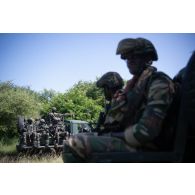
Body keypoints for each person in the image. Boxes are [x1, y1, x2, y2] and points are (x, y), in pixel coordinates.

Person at [62, 37, 175, 162]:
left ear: (148, 58)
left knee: (73, 144)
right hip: (135, 142)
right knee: (76, 138)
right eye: (127, 57)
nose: (129, 60)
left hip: (148, 147)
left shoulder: (159, 82)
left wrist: (111, 135)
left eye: (135, 56)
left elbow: (145, 132)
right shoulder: (136, 86)